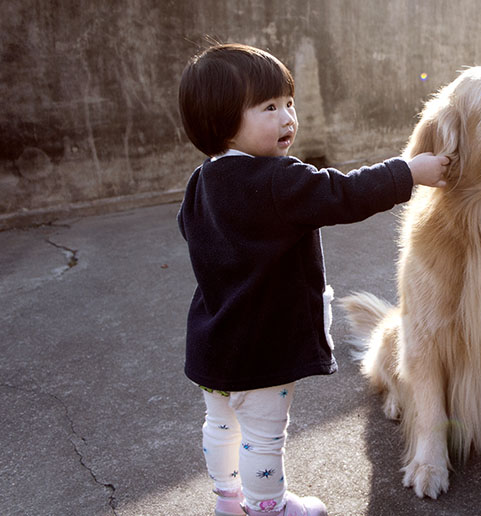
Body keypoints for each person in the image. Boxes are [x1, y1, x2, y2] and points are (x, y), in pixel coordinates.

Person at [177, 43, 448, 516]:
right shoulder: (277, 180)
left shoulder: (202, 182)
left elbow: (191, 232)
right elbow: (343, 193)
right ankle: (268, 507)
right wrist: (409, 172)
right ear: (222, 120)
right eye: (269, 107)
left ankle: (227, 500)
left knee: (220, 426)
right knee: (264, 435)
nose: (287, 118)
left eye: (288, 103)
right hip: (262, 349)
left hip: (213, 342)